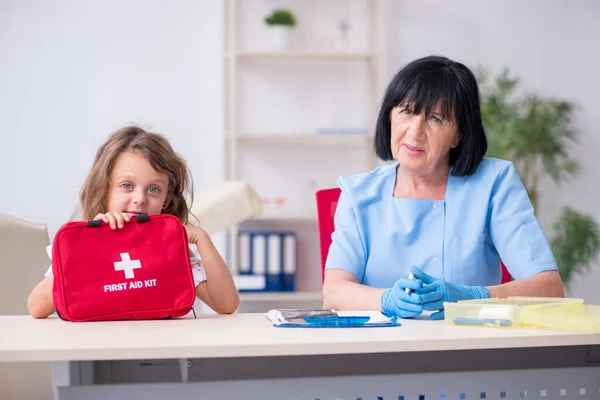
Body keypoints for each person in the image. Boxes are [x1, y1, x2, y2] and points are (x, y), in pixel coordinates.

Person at [322, 55, 564, 319]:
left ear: (458, 135)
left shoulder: (494, 183)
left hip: (470, 350)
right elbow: (333, 293)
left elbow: (550, 289)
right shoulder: (359, 193)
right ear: (389, 116)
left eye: (436, 118)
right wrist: (386, 299)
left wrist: (474, 297)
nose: (415, 131)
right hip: (378, 348)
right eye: (407, 111)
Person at [27, 126, 240, 318]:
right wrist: (89, 245)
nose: (140, 198)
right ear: (105, 190)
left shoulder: (171, 249)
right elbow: (36, 307)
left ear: (166, 200)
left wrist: (200, 237)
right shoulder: (80, 245)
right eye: (127, 185)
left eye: (153, 189)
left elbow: (226, 304)